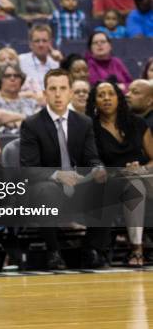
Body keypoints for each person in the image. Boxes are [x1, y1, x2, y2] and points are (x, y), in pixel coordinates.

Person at [20, 69, 108, 270]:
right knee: (47, 190)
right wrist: (57, 175)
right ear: (45, 93)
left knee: (106, 184)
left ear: (70, 93)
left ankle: (89, 249)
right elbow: (28, 169)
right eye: (52, 89)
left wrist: (98, 168)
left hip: (77, 183)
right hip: (45, 186)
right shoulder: (32, 124)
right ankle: (54, 252)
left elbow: (92, 157)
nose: (58, 94)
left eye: (62, 88)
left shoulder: (84, 122)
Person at [86, 81, 153, 266]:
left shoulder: (137, 123)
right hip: (112, 181)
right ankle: (137, 250)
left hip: (144, 175)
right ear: (94, 101)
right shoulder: (90, 128)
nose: (106, 98)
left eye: (111, 94)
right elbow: (92, 162)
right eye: (101, 95)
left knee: (137, 181)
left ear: (118, 98)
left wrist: (141, 169)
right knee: (134, 186)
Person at [0, 64, 39, 133]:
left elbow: (39, 121)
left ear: (21, 80)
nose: (12, 78)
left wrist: (8, 121)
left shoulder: (31, 102)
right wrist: (26, 117)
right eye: (7, 76)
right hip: (1, 140)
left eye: (16, 76)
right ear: (0, 79)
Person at [18, 24, 63, 90]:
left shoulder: (56, 63)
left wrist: (61, 61)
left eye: (44, 41)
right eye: (37, 41)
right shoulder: (20, 61)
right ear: (30, 44)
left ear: (50, 43)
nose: (41, 45)